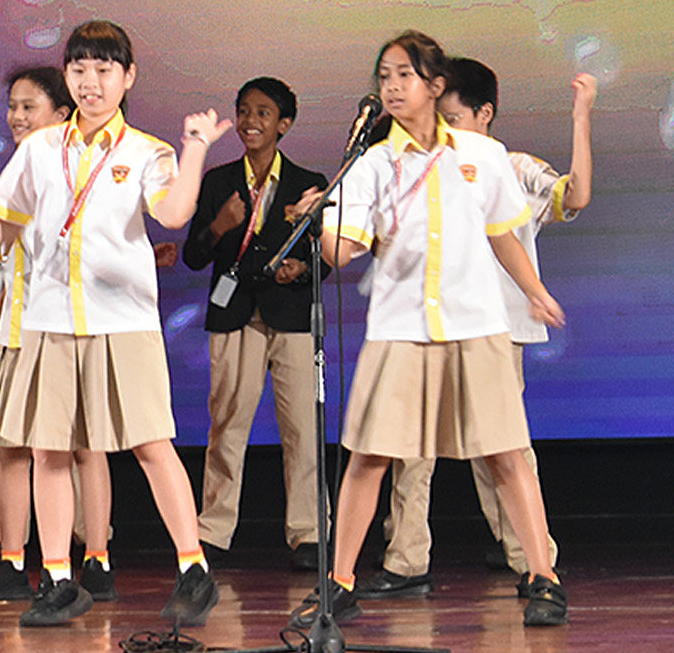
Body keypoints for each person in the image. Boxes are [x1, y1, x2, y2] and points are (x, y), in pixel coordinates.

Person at [0, 20, 230, 627]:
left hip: (124, 320)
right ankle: (59, 579)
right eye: (80, 70)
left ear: (128, 77)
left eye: (104, 71)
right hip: (49, 320)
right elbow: (4, 221)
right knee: (49, 450)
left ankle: (193, 566)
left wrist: (196, 148)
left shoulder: (146, 151)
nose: (91, 83)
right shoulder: (38, 149)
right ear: (68, 76)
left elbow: (172, 212)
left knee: (149, 443)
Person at [285, 31, 569, 628]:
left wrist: (535, 292)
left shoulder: (482, 155)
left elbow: (502, 233)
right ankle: (339, 581)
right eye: (384, 76)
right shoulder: (370, 165)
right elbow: (345, 251)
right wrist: (320, 225)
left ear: (435, 87)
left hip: (475, 325)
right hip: (399, 328)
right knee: (369, 456)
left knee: (507, 456)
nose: (391, 86)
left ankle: (542, 575)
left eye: (405, 76)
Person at [360, 61, 594, 601]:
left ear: (485, 113)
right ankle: (405, 560)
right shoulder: (420, 164)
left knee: (504, 453)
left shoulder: (507, 166)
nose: (443, 126)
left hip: (494, 330)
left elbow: (573, 197)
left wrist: (580, 116)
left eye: (454, 116)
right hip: (426, 327)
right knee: (409, 449)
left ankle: (535, 564)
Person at [0, 65, 114, 606]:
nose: (17, 117)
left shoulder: (78, 165)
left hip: (68, 325)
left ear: (62, 112)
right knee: (10, 447)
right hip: (16, 327)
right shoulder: (20, 166)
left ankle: (95, 559)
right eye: (13, 106)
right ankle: (12, 560)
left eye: (30, 106)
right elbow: (3, 253)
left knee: (81, 444)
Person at [181, 78, 328, 571]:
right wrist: (221, 224)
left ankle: (309, 533)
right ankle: (213, 533)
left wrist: (302, 269)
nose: (250, 122)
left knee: (303, 430)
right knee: (227, 426)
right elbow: (195, 256)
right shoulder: (219, 181)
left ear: (283, 124)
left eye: (263, 113)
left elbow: (325, 258)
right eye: (244, 111)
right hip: (235, 316)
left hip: (291, 316)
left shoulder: (309, 182)